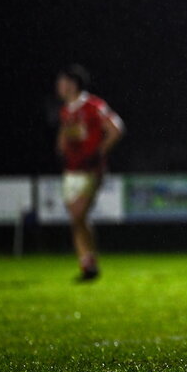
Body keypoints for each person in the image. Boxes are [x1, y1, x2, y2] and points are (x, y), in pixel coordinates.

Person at [55, 64, 125, 281]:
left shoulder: (93, 105)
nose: (59, 87)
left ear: (73, 84)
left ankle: (89, 263)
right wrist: (62, 143)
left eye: (63, 82)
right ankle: (87, 264)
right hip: (71, 170)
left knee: (78, 215)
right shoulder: (66, 111)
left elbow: (116, 129)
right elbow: (63, 140)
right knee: (77, 219)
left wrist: (99, 152)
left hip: (91, 169)